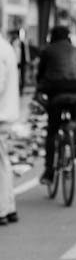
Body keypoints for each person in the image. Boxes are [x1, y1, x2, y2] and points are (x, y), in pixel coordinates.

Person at [36, 25, 76, 184]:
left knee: (52, 130)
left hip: (56, 92)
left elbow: (40, 75)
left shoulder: (48, 50)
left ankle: (49, 172)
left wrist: (39, 91)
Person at [0, 23, 20, 225]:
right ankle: (9, 206)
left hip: (1, 114)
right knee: (3, 162)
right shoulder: (6, 47)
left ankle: (3, 209)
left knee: (2, 164)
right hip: (7, 112)